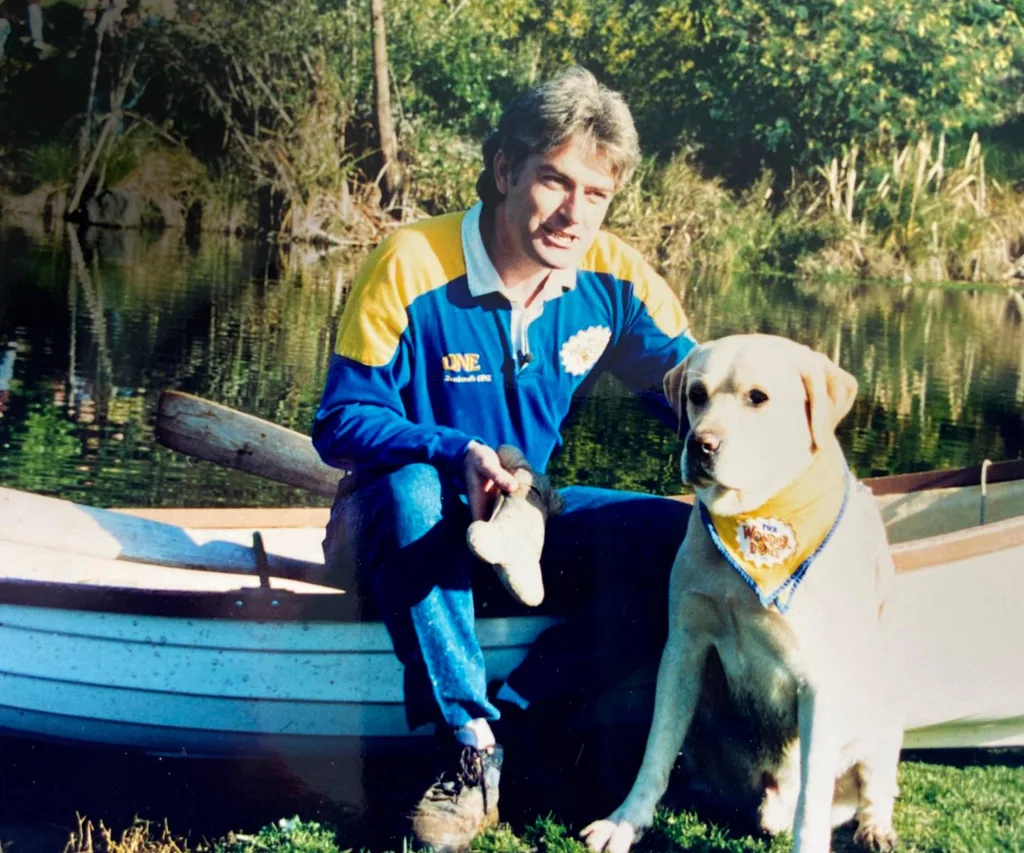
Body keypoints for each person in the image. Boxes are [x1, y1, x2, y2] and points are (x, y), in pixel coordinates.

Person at [313, 67, 696, 850]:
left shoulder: (616, 279)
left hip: (520, 530)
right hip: (389, 526)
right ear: (503, 170)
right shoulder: (411, 260)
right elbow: (340, 419)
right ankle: (468, 746)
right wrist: (453, 449)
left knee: (679, 540)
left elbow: (700, 395)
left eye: (596, 193)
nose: (574, 213)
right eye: (555, 181)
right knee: (414, 486)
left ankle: (519, 713)